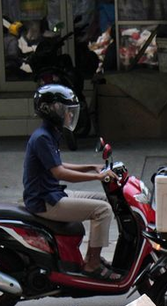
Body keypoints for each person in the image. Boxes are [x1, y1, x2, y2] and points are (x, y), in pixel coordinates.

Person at [23, 83, 116, 278]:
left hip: (53, 194)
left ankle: (92, 257)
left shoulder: (49, 134)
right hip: (44, 201)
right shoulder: (42, 138)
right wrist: (97, 176)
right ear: (50, 110)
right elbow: (60, 173)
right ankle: (92, 265)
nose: (69, 114)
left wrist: (91, 167)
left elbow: (58, 164)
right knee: (103, 210)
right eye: (65, 110)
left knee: (105, 200)